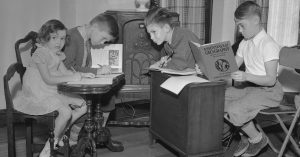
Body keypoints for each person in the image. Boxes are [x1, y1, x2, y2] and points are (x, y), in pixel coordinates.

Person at [13, 19, 95, 157]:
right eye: (54, 38)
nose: (59, 42)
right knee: (66, 112)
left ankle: (61, 130)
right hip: (38, 91)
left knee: (84, 105)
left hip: (50, 89)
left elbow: (64, 73)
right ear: (45, 38)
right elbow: (48, 79)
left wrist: (81, 75)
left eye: (62, 38)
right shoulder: (40, 53)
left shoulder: (55, 53)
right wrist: (70, 77)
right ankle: (48, 147)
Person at [224, 1, 284, 156]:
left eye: (242, 25)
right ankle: (246, 135)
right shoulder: (245, 42)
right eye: (237, 25)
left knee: (235, 109)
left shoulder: (268, 44)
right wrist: (208, 66)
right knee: (220, 98)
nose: (239, 29)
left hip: (269, 91)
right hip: (250, 87)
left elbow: (270, 79)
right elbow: (232, 66)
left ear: (256, 21)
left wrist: (246, 75)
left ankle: (257, 139)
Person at [63, 13, 124, 152]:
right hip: (69, 85)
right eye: (103, 38)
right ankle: (73, 140)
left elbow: (85, 64)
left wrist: (100, 69)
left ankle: (99, 132)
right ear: (94, 27)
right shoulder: (72, 37)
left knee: (109, 94)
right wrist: (96, 71)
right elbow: (68, 67)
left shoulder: (87, 39)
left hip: (81, 81)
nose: (103, 43)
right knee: (90, 101)